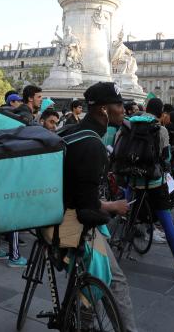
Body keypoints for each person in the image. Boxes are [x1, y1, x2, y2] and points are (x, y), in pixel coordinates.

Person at [59, 81, 138, 331]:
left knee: (92, 275)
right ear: (104, 110)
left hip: (58, 215)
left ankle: (85, 319)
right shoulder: (92, 144)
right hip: (71, 222)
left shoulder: (74, 132)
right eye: (119, 105)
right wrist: (113, 207)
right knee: (116, 281)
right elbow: (87, 204)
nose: (123, 110)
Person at [115, 97, 174, 280]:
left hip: (133, 181)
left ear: (145, 108)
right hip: (154, 183)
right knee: (167, 222)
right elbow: (166, 157)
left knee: (129, 214)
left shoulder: (128, 125)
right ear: (161, 114)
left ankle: (123, 246)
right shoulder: (160, 130)